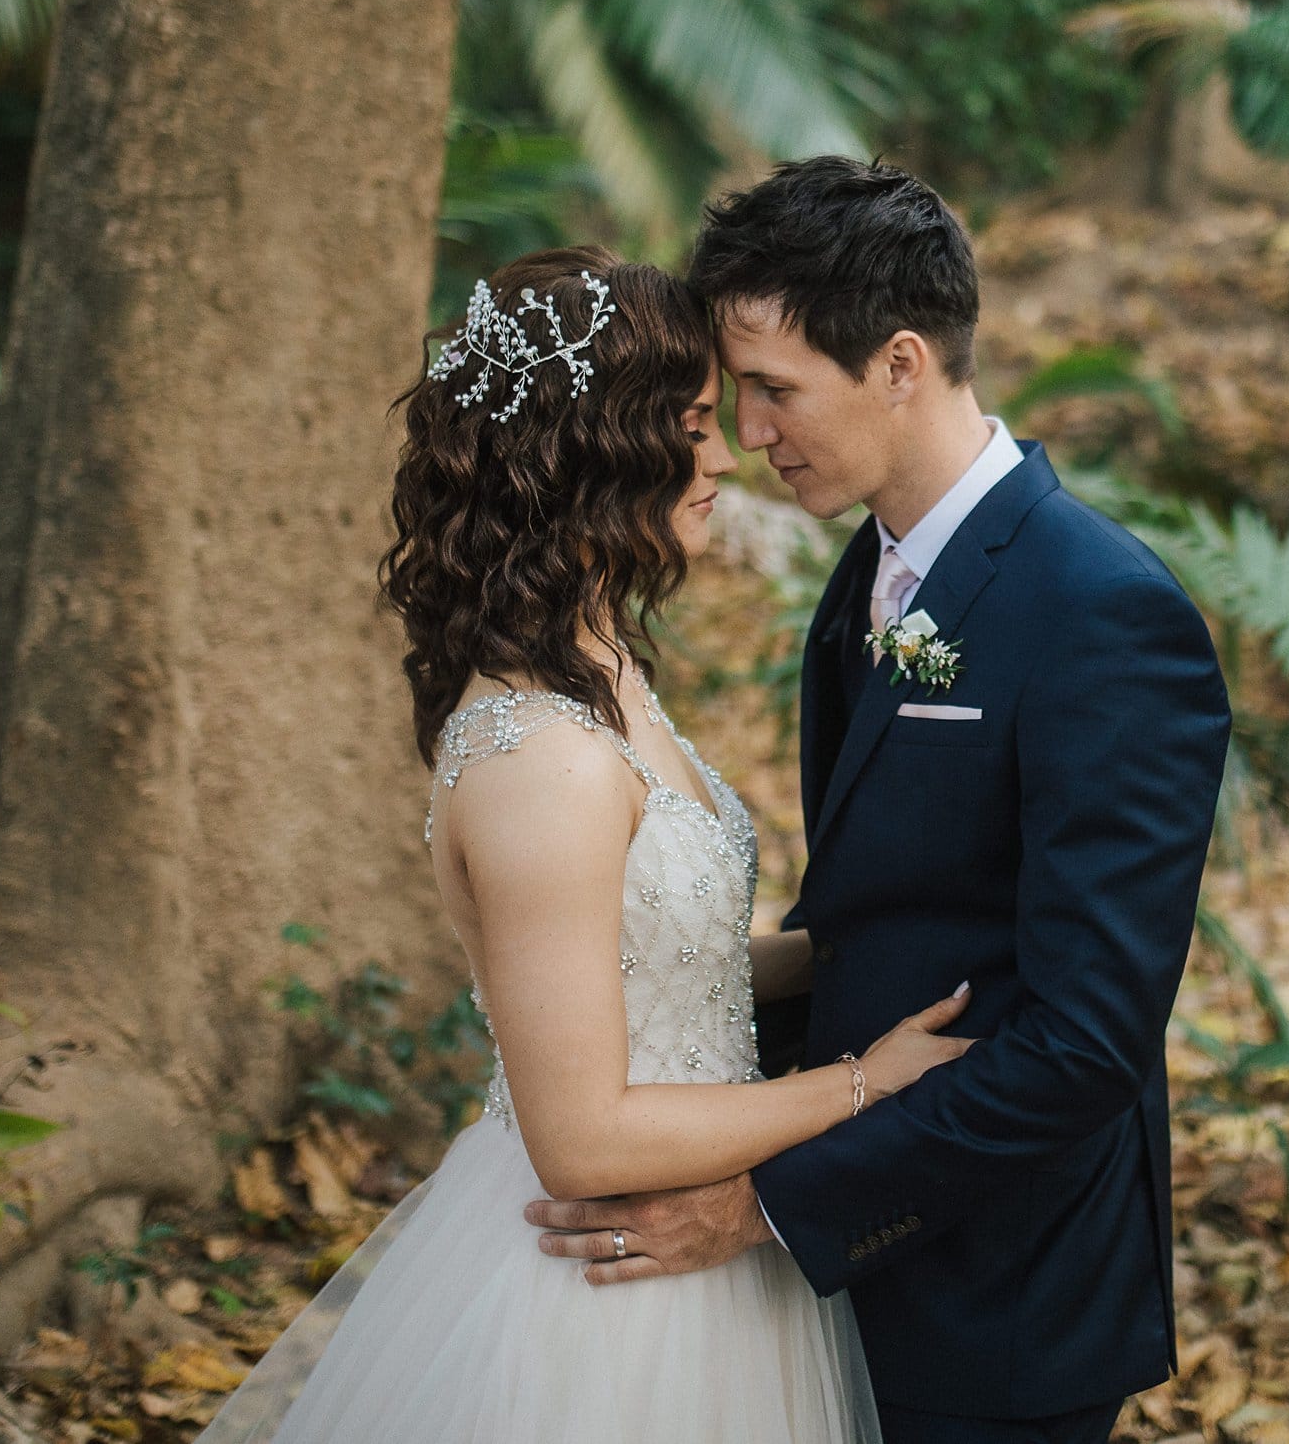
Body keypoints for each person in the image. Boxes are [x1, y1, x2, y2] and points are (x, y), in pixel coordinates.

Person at [192, 244, 973, 1444]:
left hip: (708, 1254)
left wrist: (852, 952)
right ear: (596, 452)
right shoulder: (537, 755)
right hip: (604, 1301)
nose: (727, 455)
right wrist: (864, 1085)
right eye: (696, 425)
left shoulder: (601, 672)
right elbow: (584, 1133)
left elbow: (650, 961)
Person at [524, 161, 1235, 1444]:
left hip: (999, 1302)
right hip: (840, 1276)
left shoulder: (1104, 615)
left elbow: (1086, 1042)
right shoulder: (871, 573)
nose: (745, 433)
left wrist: (765, 1206)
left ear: (900, 362)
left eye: (774, 389)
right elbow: (875, 919)